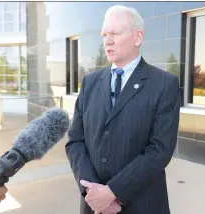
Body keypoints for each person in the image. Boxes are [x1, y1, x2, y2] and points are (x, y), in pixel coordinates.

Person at [65, 5, 180, 214]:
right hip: (94, 205)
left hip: (143, 205)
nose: (107, 40)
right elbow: (75, 141)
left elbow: (160, 151)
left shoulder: (164, 84)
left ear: (137, 38)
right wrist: (94, 193)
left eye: (115, 33)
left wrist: (112, 192)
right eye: (104, 34)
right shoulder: (89, 83)